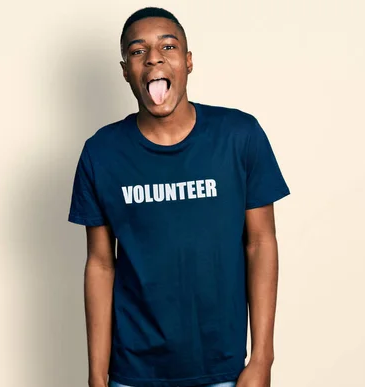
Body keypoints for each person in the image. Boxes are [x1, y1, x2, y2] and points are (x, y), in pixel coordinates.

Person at [68, 7, 290, 387]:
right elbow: (101, 265)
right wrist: (96, 376)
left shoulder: (239, 136)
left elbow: (260, 242)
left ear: (187, 62)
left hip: (225, 370)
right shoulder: (101, 153)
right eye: (138, 51)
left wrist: (263, 359)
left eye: (167, 46)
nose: (154, 56)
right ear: (125, 71)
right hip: (133, 373)